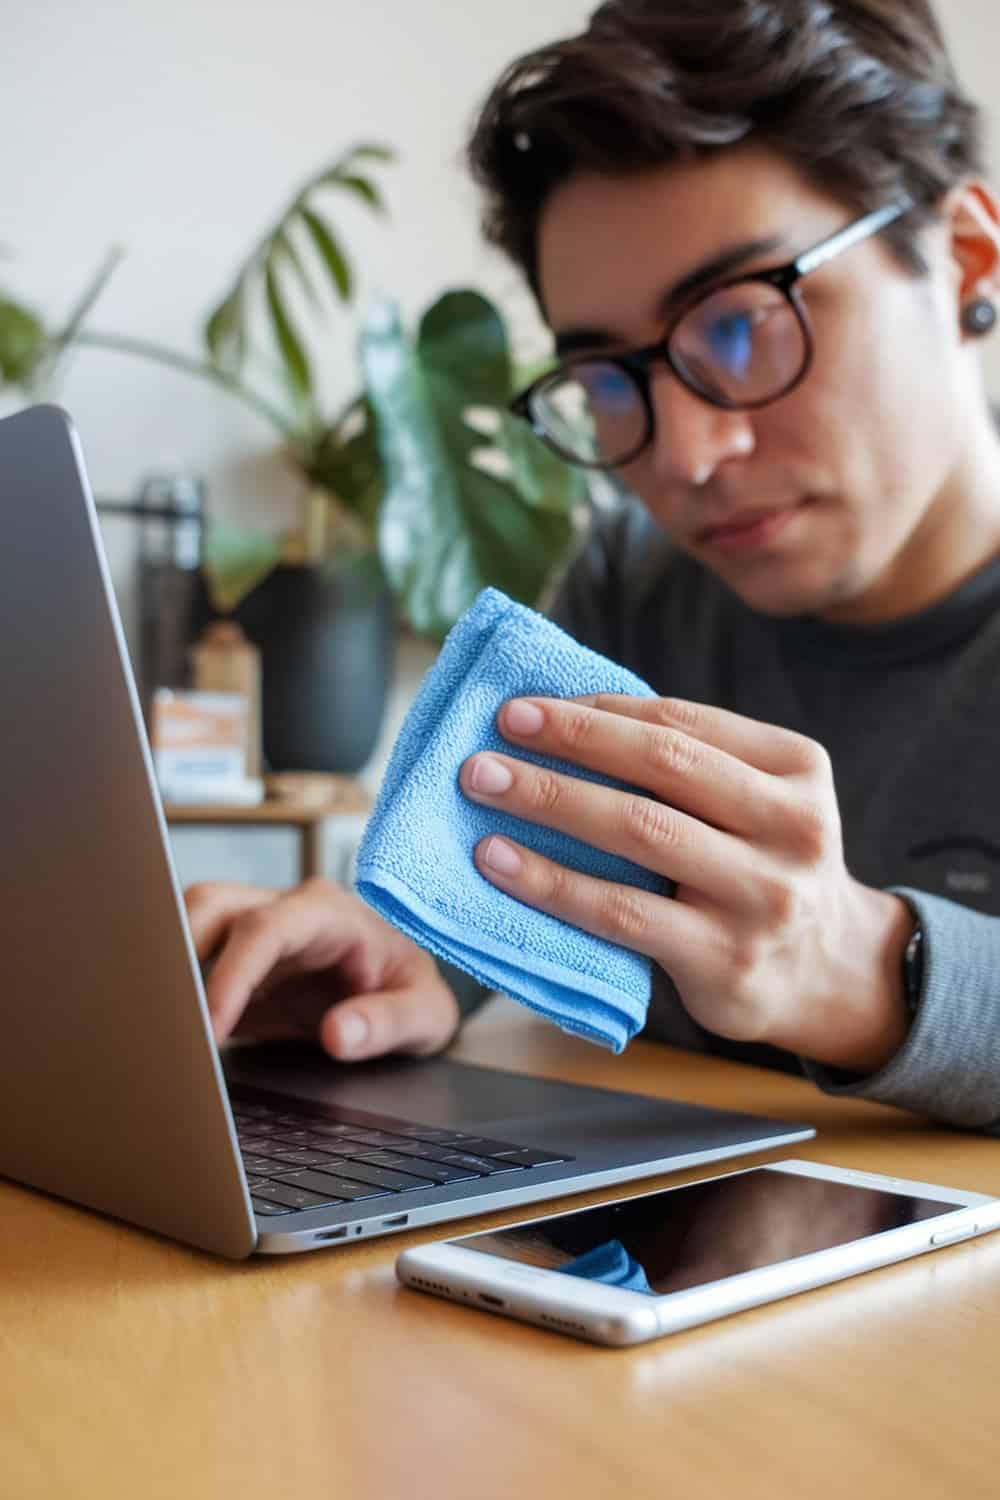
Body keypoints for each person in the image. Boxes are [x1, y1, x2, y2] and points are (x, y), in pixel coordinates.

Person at [186, 0, 1000, 1133]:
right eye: (610, 384)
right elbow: (533, 886)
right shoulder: (634, 586)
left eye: (738, 327)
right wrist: (419, 952)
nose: (680, 457)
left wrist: (875, 973)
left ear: (963, 257)